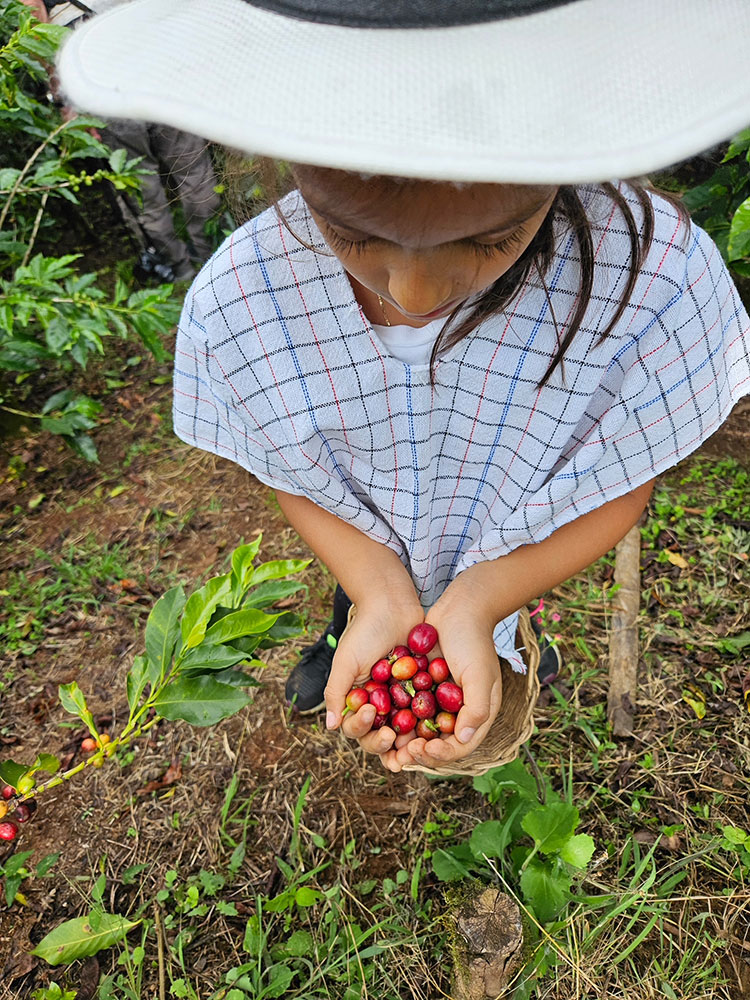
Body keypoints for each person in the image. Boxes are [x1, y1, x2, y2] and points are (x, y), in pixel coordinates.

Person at [56, 0, 750, 773]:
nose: (416, 292)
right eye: (353, 233)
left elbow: (620, 473)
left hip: (515, 537)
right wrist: (375, 582)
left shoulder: (646, 280)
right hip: (372, 532)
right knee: (367, 597)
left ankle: (512, 618)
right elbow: (299, 471)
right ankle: (356, 613)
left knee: (494, 589)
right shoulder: (247, 301)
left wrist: (489, 592)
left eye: (491, 238)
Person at [34, 0, 222, 282]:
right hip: (150, 41)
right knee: (193, 171)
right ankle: (216, 260)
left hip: (90, 54)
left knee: (140, 185)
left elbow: (31, 9)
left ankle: (179, 270)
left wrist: (63, 98)